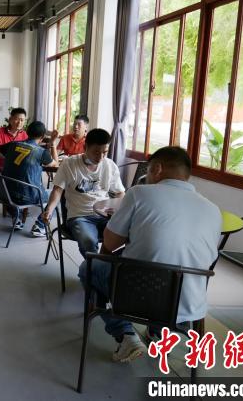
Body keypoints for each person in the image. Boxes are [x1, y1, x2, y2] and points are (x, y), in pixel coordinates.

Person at [78, 146, 221, 362]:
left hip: (137, 297)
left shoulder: (139, 193)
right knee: (167, 264)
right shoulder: (213, 209)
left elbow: (110, 243)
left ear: (156, 168)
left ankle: (125, 335)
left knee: (88, 268)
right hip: (189, 304)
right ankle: (158, 333)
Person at [42, 129, 124, 257]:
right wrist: (49, 210)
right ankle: (98, 266)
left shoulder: (110, 166)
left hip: (105, 216)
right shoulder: (70, 163)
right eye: (96, 152)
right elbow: (58, 190)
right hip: (80, 216)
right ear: (85, 147)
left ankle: (101, 265)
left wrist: (120, 211)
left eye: (105, 152)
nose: (101, 157)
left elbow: (120, 193)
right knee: (89, 242)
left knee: (130, 234)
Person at [0, 121, 58, 237]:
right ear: (42, 137)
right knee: (56, 195)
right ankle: (40, 226)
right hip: (27, 197)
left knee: (14, 186)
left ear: (27, 132)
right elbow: (55, 164)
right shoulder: (42, 152)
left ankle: (16, 217)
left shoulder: (12, 145)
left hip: (4, 194)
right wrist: (53, 143)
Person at [0, 107, 29, 171]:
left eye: (22, 120)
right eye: (17, 119)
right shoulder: (0, 132)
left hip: (18, 168)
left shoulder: (24, 134)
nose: (19, 123)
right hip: (2, 168)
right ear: (10, 119)